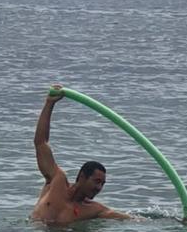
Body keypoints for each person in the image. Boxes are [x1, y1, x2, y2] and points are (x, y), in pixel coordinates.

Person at [30, 85, 130, 224]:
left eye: (102, 184)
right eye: (97, 181)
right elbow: (41, 143)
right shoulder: (56, 180)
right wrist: (49, 103)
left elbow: (130, 219)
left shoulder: (94, 210)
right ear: (82, 177)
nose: (99, 188)